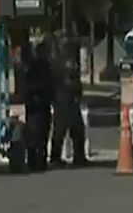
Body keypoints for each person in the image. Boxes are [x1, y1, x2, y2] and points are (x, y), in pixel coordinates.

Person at [51, 37, 88, 167]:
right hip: (64, 100)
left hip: (68, 100)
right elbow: (68, 82)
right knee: (61, 130)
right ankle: (56, 157)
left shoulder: (68, 61)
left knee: (76, 129)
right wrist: (77, 88)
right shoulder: (64, 62)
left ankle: (78, 156)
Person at [24, 39, 55, 172]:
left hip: (42, 104)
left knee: (42, 134)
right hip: (36, 105)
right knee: (36, 134)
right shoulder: (37, 67)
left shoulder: (45, 65)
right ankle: (34, 161)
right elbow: (32, 85)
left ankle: (39, 160)